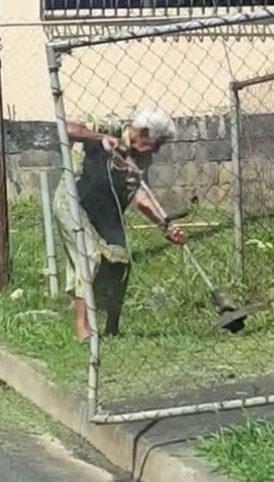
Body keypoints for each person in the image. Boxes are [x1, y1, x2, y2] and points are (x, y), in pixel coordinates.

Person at [54, 109, 187, 341]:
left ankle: (112, 328)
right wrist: (101, 138)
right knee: (90, 256)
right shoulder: (110, 127)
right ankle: (82, 329)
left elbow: (141, 197)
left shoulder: (142, 159)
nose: (156, 151)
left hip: (106, 210)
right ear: (143, 133)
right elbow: (66, 129)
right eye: (156, 144)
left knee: (121, 261)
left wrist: (165, 226)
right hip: (75, 201)